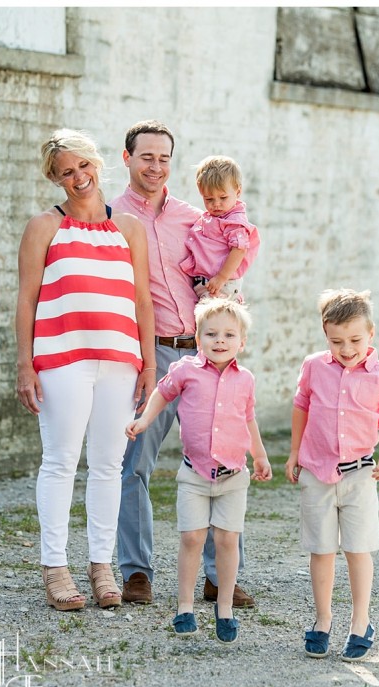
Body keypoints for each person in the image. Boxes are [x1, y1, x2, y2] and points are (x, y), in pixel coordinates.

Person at [112, 121, 255, 607]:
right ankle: (135, 572)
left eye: (164, 158)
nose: (155, 166)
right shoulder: (111, 217)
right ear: (127, 157)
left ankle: (220, 577)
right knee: (135, 464)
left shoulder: (198, 216)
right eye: (146, 157)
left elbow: (237, 253)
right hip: (148, 355)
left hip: (202, 353)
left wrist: (229, 312)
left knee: (218, 462)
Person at [15, 129, 155, 611]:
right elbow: (27, 300)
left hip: (120, 360)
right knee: (59, 462)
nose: (79, 177)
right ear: (56, 179)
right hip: (61, 358)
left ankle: (100, 566)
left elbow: (142, 301)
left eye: (84, 166)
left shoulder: (131, 228)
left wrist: (149, 364)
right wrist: (24, 365)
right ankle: (55, 567)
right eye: (66, 172)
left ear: (98, 165)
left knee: (109, 466)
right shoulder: (43, 227)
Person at [125, 298, 271, 643]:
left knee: (226, 539)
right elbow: (162, 393)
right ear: (198, 336)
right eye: (211, 334)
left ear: (242, 341)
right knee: (191, 537)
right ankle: (185, 607)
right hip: (194, 474)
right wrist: (144, 419)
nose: (219, 341)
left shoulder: (245, 380)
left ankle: (224, 610)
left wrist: (261, 455)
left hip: (233, 476)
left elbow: (248, 418)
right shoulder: (186, 370)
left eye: (228, 335)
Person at [284, 289, 379, 662]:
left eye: (355, 340)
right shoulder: (314, 367)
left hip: (359, 476)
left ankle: (360, 622)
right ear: (325, 335)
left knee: (358, 549)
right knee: (321, 550)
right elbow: (301, 407)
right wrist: (294, 452)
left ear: (371, 334)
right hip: (316, 473)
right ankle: (323, 620)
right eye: (336, 341)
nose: (346, 348)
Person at [180, 155, 260, 302]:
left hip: (221, 284)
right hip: (208, 283)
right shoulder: (212, 218)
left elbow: (239, 249)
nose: (216, 204)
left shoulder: (234, 220)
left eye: (223, 198)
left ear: (237, 192)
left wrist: (221, 277)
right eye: (209, 199)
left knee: (214, 319)